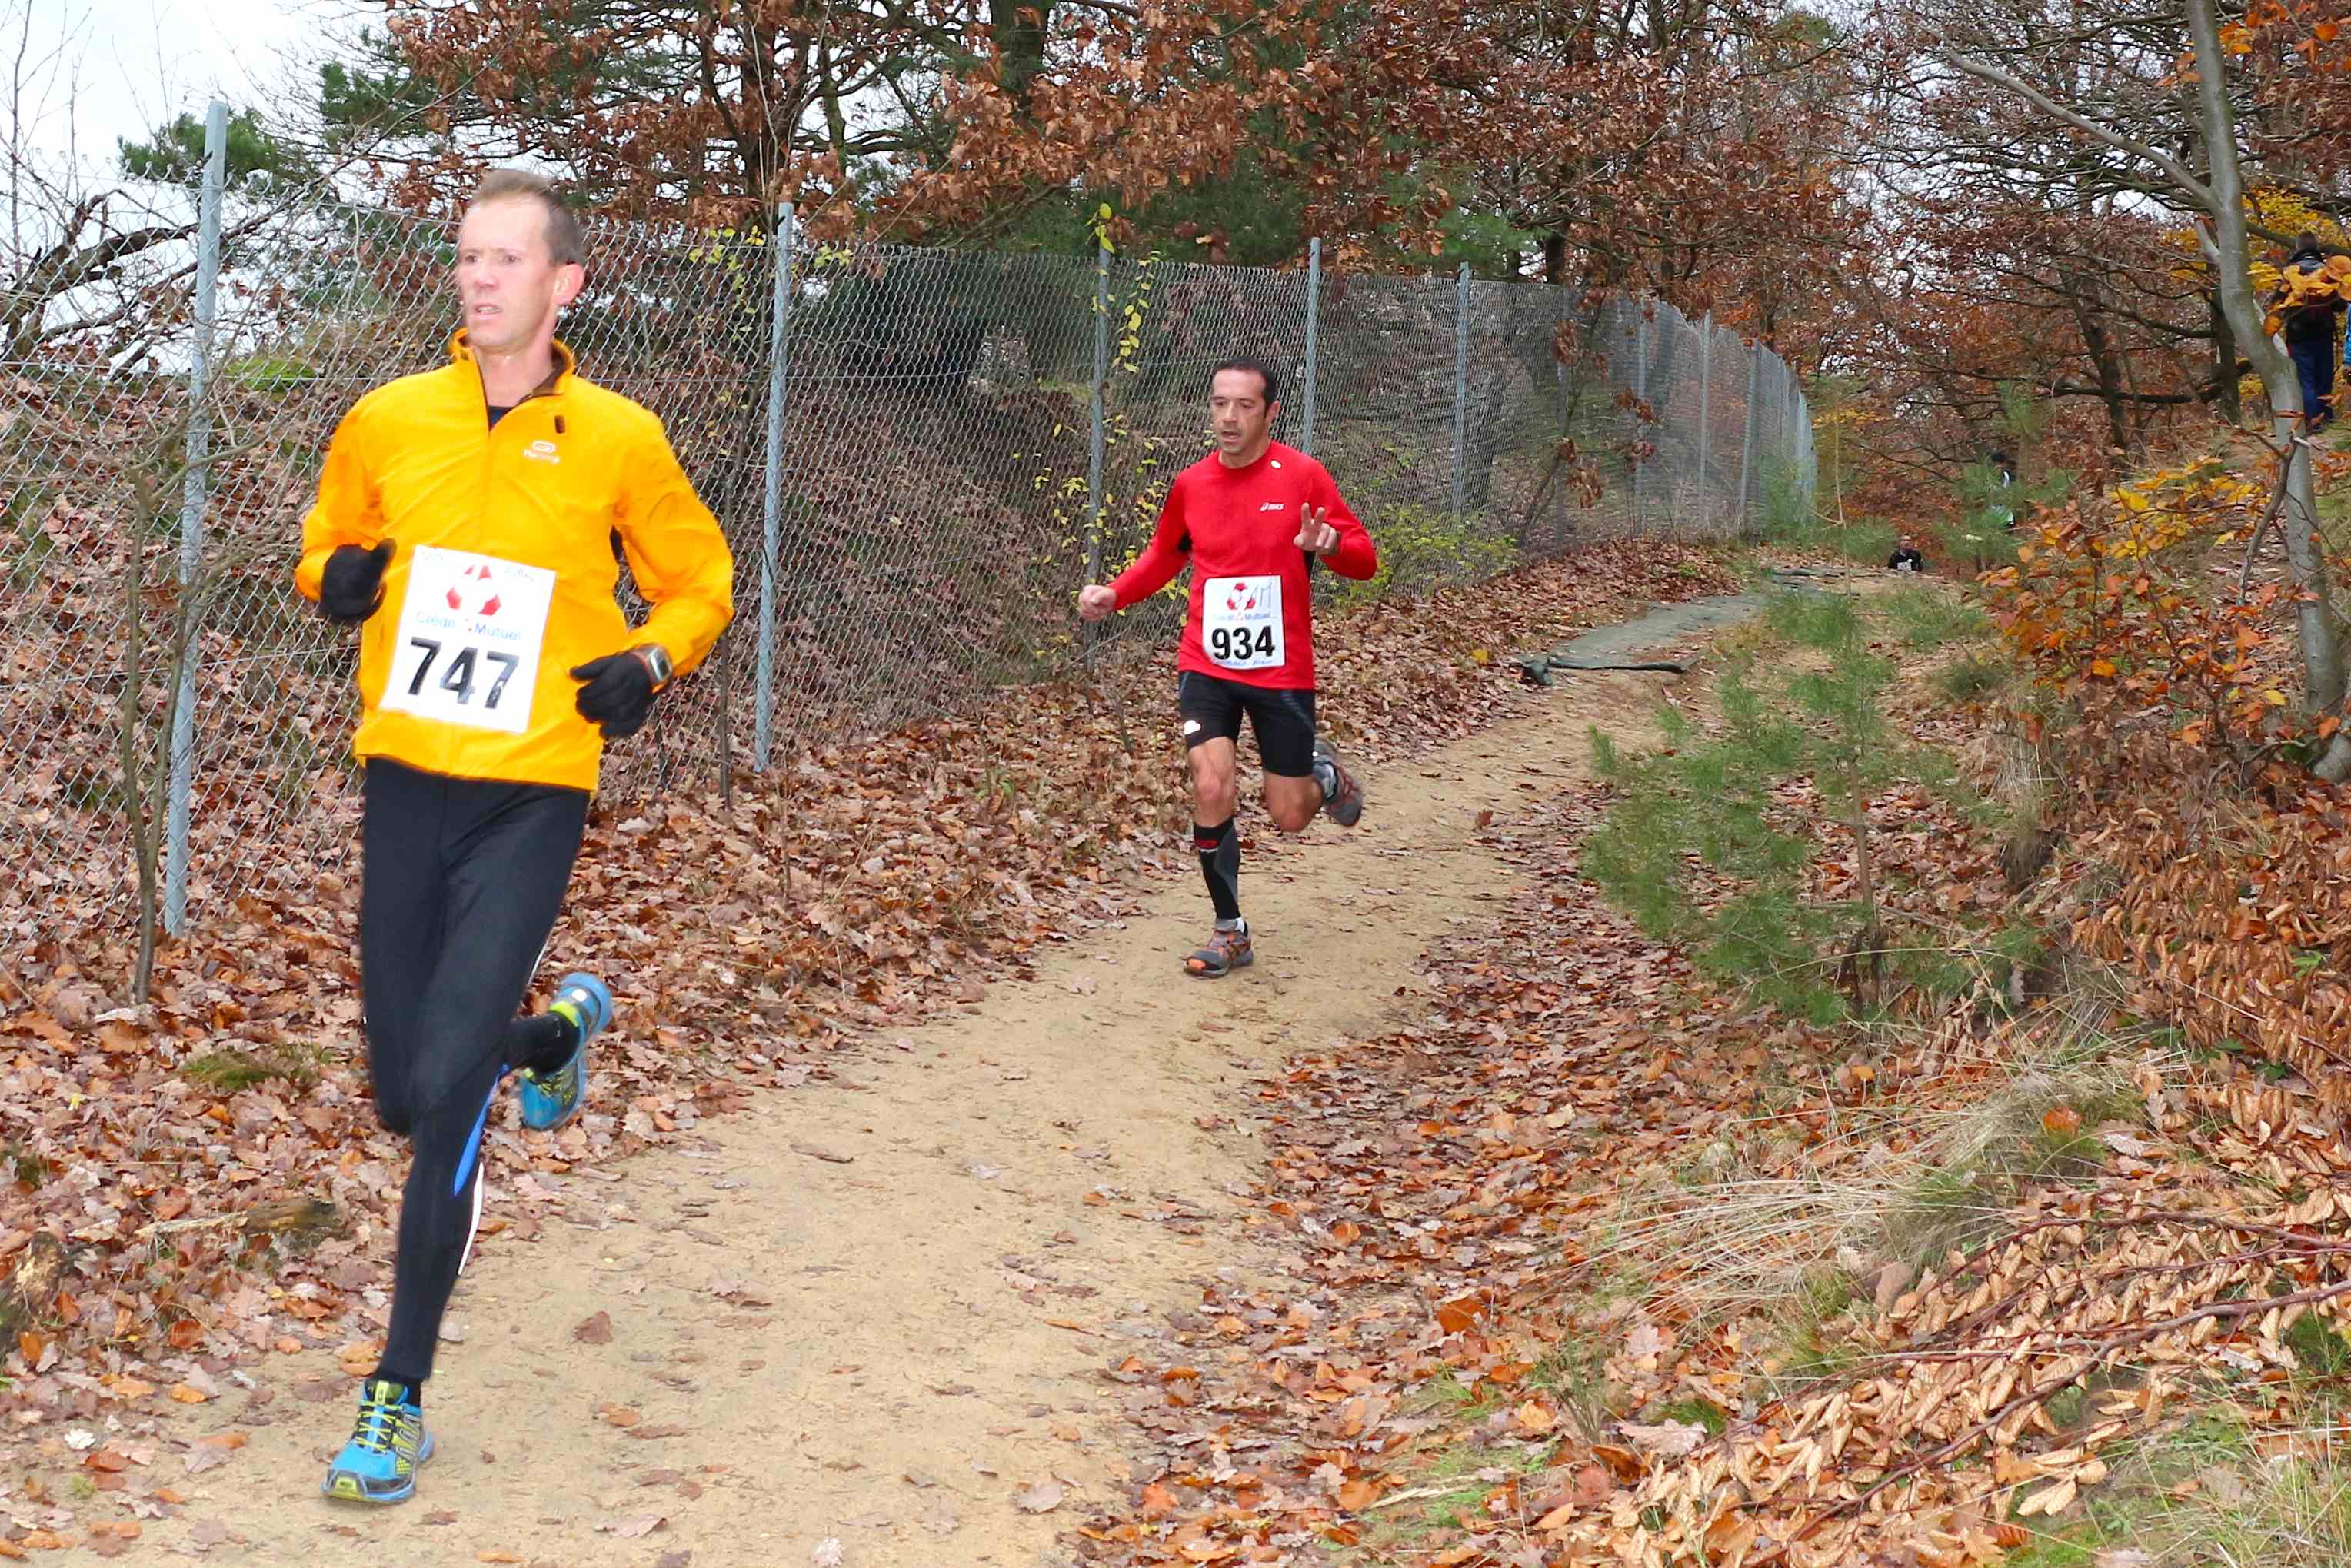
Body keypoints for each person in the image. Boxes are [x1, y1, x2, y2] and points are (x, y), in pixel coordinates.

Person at [295, 168, 734, 1504]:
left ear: (564, 283)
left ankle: (396, 1392)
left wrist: (650, 661)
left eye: (505, 258)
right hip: (404, 779)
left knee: (444, 1099)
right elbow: (327, 542)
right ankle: (552, 1036)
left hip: (532, 789)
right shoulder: (388, 417)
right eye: (468, 257)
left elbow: (699, 578)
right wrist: (335, 579)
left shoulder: (618, 437)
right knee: (400, 1087)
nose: (478, 278)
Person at [1077, 355, 1376, 978]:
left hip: (1281, 670)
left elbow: (1364, 558)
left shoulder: (1303, 476)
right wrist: (1116, 593)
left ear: (1271, 412)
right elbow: (1165, 554)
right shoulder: (1191, 484)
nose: (1228, 417)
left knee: (1288, 815)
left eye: (1244, 405)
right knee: (1210, 784)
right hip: (1206, 663)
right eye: (1219, 403)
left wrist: (1331, 546)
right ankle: (1229, 929)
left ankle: (1322, 775)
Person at [2280, 233, 2346, 431]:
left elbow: (2279, 305)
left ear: (2298, 248)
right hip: (2324, 334)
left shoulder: (2289, 272)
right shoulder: (2328, 272)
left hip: (2298, 337)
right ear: (2316, 249)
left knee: (2305, 381)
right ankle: (2326, 419)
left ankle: (2312, 422)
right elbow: (2340, 305)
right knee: (2324, 379)